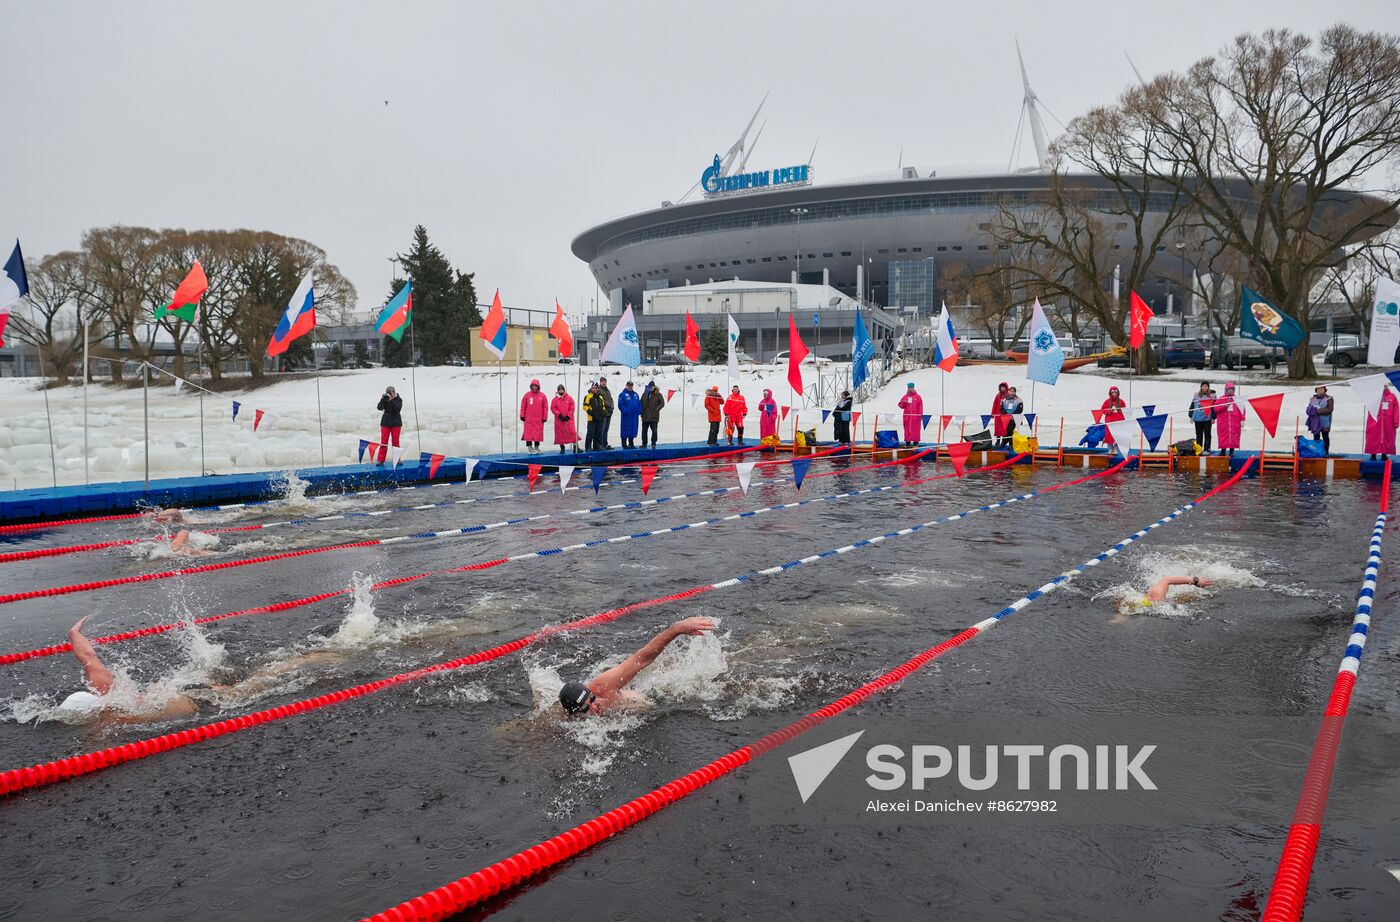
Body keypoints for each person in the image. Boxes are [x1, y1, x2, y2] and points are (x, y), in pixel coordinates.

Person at [57, 616, 345, 724]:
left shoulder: (114, 719)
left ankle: (313, 658)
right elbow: (88, 657)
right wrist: (73, 632)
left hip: (198, 699)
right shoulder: (104, 687)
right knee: (256, 675)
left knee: (261, 683)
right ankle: (310, 656)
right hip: (181, 689)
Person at [558, 617, 717, 716]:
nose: (595, 706)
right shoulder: (571, 721)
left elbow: (642, 659)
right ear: (576, 714)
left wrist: (677, 629)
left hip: (648, 702)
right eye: (586, 709)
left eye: (592, 699)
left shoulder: (604, 685)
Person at [1366, 385, 1400, 461]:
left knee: (1387, 439)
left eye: (1385, 386)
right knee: (1373, 438)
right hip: (1375, 421)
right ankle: (1373, 455)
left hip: (1388, 423)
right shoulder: (1374, 396)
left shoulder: (1392, 396)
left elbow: (1396, 409)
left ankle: (1384, 455)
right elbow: (1369, 406)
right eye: (1382, 386)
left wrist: (1396, 422)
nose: (1384, 387)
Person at [519, 379, 549, 454]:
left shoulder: (542, 396)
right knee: (528, 433)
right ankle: (530, 447)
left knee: (537, 433)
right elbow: (523, 405)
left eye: (536, 386)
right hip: (528, 418)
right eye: (533, 386)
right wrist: (522, 415)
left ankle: (536, 447)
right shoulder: (527, 395)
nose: (534, 387)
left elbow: (545, 407)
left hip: (538, 419)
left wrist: (544, 417)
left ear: (538, 386)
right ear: (531, 386)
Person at [375, 386, 403, 465]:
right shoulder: (385, 399)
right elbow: (379, 407)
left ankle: (397, 460)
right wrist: (382, 399)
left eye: (391, 392)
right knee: (383, 442)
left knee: (395, 442)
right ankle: (380, 460)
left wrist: (392, 400)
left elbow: (397, 409)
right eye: (388, 392)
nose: (389, 394)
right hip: (385, 422)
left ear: (394, 392)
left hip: (396, 422)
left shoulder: (398, 399)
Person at [1216, 382, 1244, 458]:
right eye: (1229, 389)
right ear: (1226, 390)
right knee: (1223, 436)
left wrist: (1242, 419)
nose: (1231, 391)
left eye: (1232, 389)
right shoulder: (1221, 399)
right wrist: (1225, 406)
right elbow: (1216, 409)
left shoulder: (1237, 399)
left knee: (1234, 436)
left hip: (1234, 422)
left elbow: (1242, 410)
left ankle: (1232, 451)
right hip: (1223, 422)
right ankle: (1223, 451)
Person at [1189, 381, 1217, 453]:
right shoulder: (1196, 395)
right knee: (1199, 434)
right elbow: (1192, 406)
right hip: (1198, 418)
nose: (1204, 388)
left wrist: (1213, 417)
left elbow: (1214, 407)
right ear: (1201, 387)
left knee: (1207, 434)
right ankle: (1199, 448)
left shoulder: (1212, 396)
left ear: (1208, 387)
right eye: (1203, 386)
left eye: (1206, 386)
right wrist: (1191, 416)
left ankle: (1207, 449)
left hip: (1207, 418)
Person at [1307, 386, 1334, 456]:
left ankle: (1326, 452)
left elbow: (1329, 409)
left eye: (1322, 388)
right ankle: (1317, 451)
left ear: (1325, 390)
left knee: (1325, 436)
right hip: (1315, 421)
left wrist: (1316, 411)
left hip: (1325, 421)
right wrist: (1312, 411)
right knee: (1316, 437)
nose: (1320, 390)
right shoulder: (1313, 399)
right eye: (1318, 389)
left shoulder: (1329, 398)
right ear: (1316, 390)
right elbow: (1308, 410)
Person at [551, 384, 578, 454]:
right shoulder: (554, 400)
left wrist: (568, 416)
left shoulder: (569, 398)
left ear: (564, 390)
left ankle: (576, 447)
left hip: (569, 419)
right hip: (559, 420)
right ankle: (562, 448)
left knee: (572, 432)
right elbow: (553, 408)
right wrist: (559, 415)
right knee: (560, 434)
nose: (561, 391)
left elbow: (572, 407)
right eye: (559, 390)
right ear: (557, 390)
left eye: (562, 389)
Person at [897, 382, 924, 448]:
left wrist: (920, 415)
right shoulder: (905, 397)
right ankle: (907, 443)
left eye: (911, 388)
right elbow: (900, 406)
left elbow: (921, 406)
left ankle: (915, 443)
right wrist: (904, 402)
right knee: (907, 430)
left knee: (916, 430)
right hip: (907, 417)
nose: (910, 389)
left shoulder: (918, 397)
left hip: (915, 417)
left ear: (913, 388)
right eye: (909, 388)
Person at [617, 381, 642, 449]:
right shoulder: (622, 394)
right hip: (626, 416)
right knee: (625, 429)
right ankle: (624, 444)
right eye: (628, 385)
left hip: (634, 416)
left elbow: (639, 404)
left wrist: (639, 411)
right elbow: (620, 404)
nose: (630, 387)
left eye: (631, 385)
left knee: (633, 429)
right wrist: (625, 411)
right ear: (626, 386)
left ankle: (631, 443)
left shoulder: (635, 394)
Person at [640, 381, 665, 448]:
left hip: (654, 416)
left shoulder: (659, 394)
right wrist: (641, 412)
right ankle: (644, 444)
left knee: (654, 431)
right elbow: (641, 403)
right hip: (645, 416)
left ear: (654, 387)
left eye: (652, 387)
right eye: (650, 387)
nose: (651, 388)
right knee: (644, 431)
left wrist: (656, 410)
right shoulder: (644, 394)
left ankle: (653, 443)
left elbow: (662, 403)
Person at [582, 383, 604, 452]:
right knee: (590, 433)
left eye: (596, 388)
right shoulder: (588, 396)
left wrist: (603, 412)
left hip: (599, 418)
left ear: (598, 389)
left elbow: (603, 406)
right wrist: (590, 412)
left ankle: (596, 446)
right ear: (591, 388)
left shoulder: (600, 397)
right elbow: (585, 406)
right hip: (591, 418)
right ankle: (588, 447)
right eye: (593, 388)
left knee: (598, 432)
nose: (594, 389)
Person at [596, 377, 615, 450]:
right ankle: (601, 444)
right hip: (604, 412)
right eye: (602, 382)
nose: (604, 383)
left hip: (609, 412)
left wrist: (612, 406)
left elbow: (610, 399)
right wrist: (609, 406)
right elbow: (602, 401)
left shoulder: (607, 390)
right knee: (602, 429)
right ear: (600, 382)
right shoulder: (599, 390)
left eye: (605, 381)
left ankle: (605, 443)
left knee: (606, 429)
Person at [991, 382, 1011, 446]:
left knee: (1004, 428)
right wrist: (993, 413)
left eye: (1004, 387)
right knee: (997, 428)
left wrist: (1009, 414)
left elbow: (1010, 405)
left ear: (1006, 388)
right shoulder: (998, 395)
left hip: (1005, 415)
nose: (1002, 388)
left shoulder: (1008, 395)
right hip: (997, 415)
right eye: (1001, 387)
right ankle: (998, 440)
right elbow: (995, 404)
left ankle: (1003, 441)